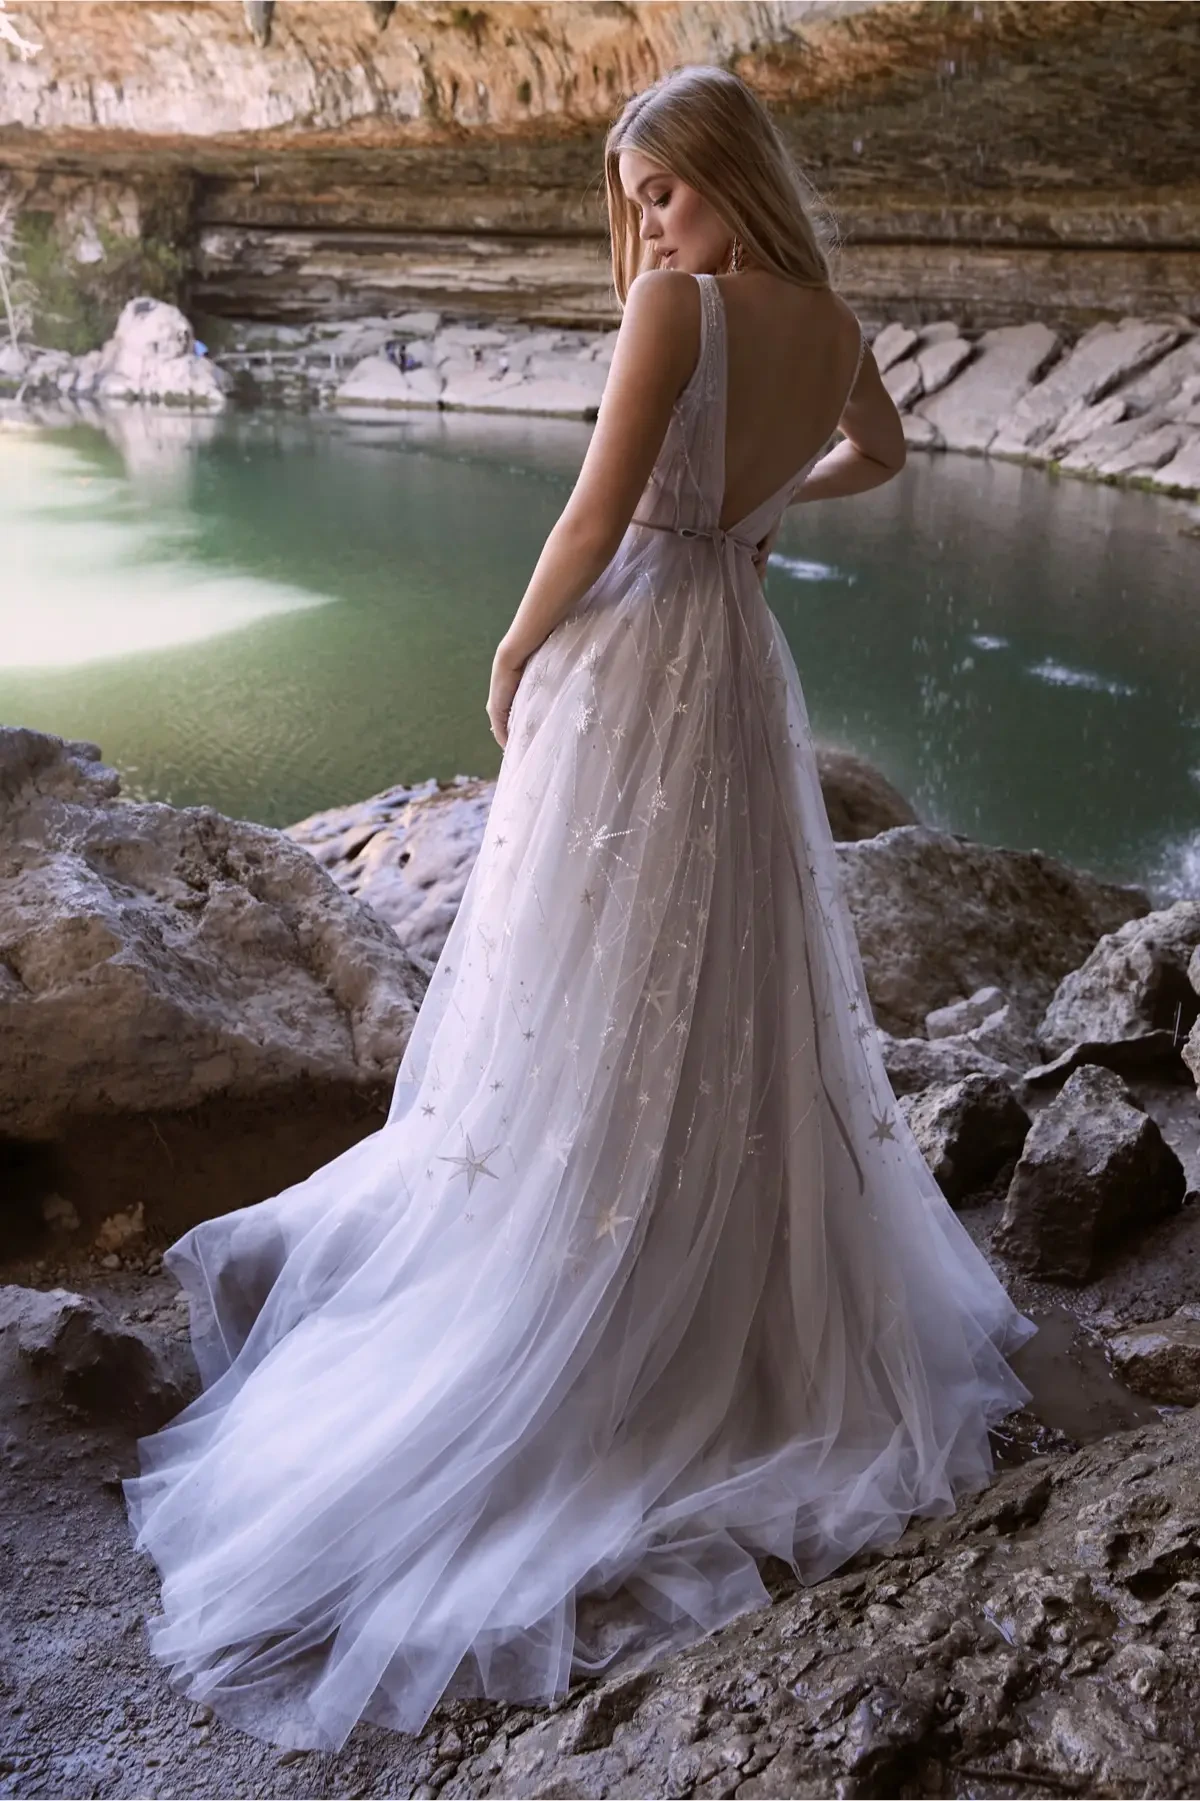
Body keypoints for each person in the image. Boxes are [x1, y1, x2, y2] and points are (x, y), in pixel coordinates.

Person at [123, 64, 1036, 1755]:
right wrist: (760, 520)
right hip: (739, 659)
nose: (649, 225)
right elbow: (882, 452)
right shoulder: (829, 318)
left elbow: (590, 513)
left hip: (632, 651)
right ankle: (700, 1264)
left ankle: (588, 1280)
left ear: (720, 179)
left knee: (594, 961)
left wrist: (512, 645)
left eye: (662, 193)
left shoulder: (678, 311)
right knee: (715, 968)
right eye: (635, 200)